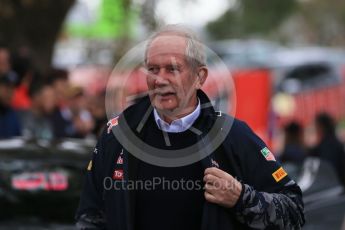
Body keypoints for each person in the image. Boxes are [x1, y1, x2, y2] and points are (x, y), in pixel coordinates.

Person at [76, 25, 305, 230]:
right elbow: (89, 216)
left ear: (199, 76)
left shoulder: (233, 135)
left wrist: (240, 197)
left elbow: (293, 211)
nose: (160, 79)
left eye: (172, 69)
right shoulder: (116, 134)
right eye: (153, 69)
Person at [310, 113, 345, 186]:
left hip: (334, 188)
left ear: (321, 126)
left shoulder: (328, 145)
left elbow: (327, 170)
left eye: (316, 126)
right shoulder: (333, 142)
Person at [0, 73, 21, 138]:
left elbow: (18, 139)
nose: (10, 92)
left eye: (12, 89)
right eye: (7, 88)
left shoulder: (13, 114)